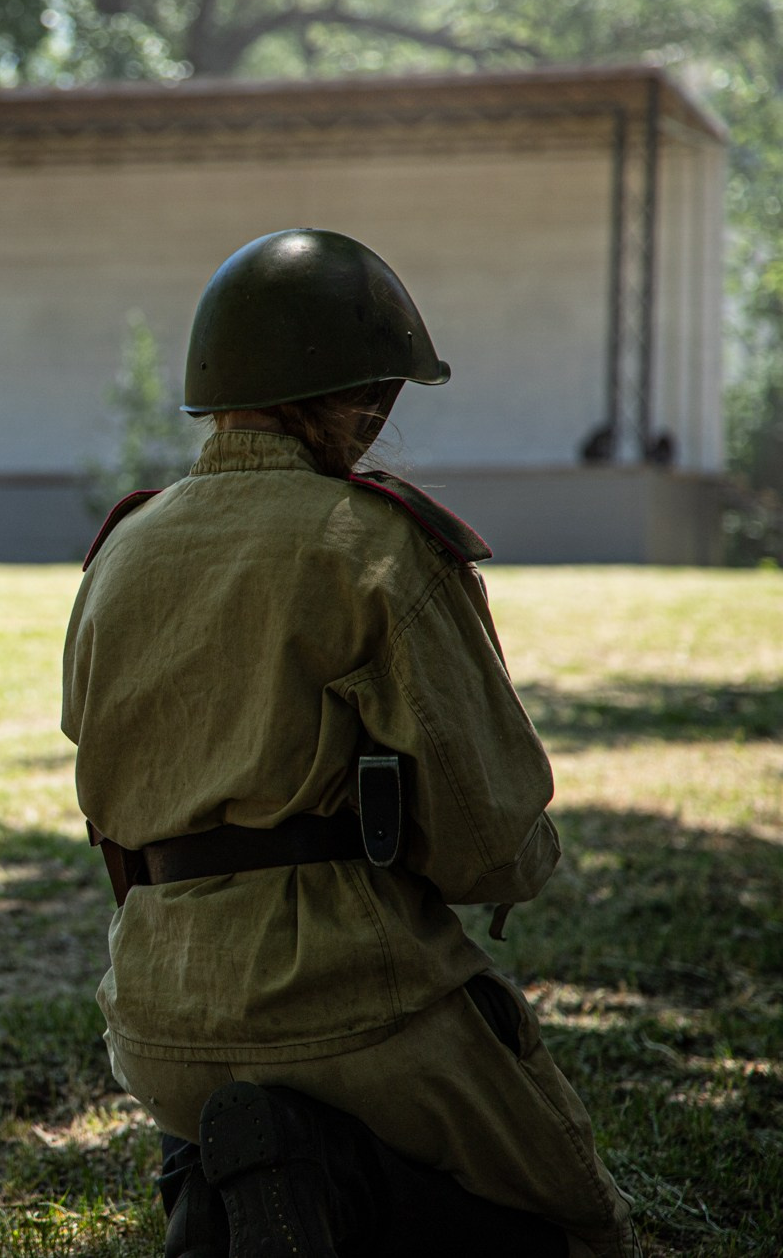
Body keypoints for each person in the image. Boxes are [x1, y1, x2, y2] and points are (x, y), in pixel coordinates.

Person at [60, 229, 635, 1258]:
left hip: (153, 1017)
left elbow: (102, 797)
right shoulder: (372, 544)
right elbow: (487, 841)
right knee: (576, 1227)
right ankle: (316, 1175)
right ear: (356, 397)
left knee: (238, 1120)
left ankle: (219, 1183)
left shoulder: (119, 550)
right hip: (351, 1002)